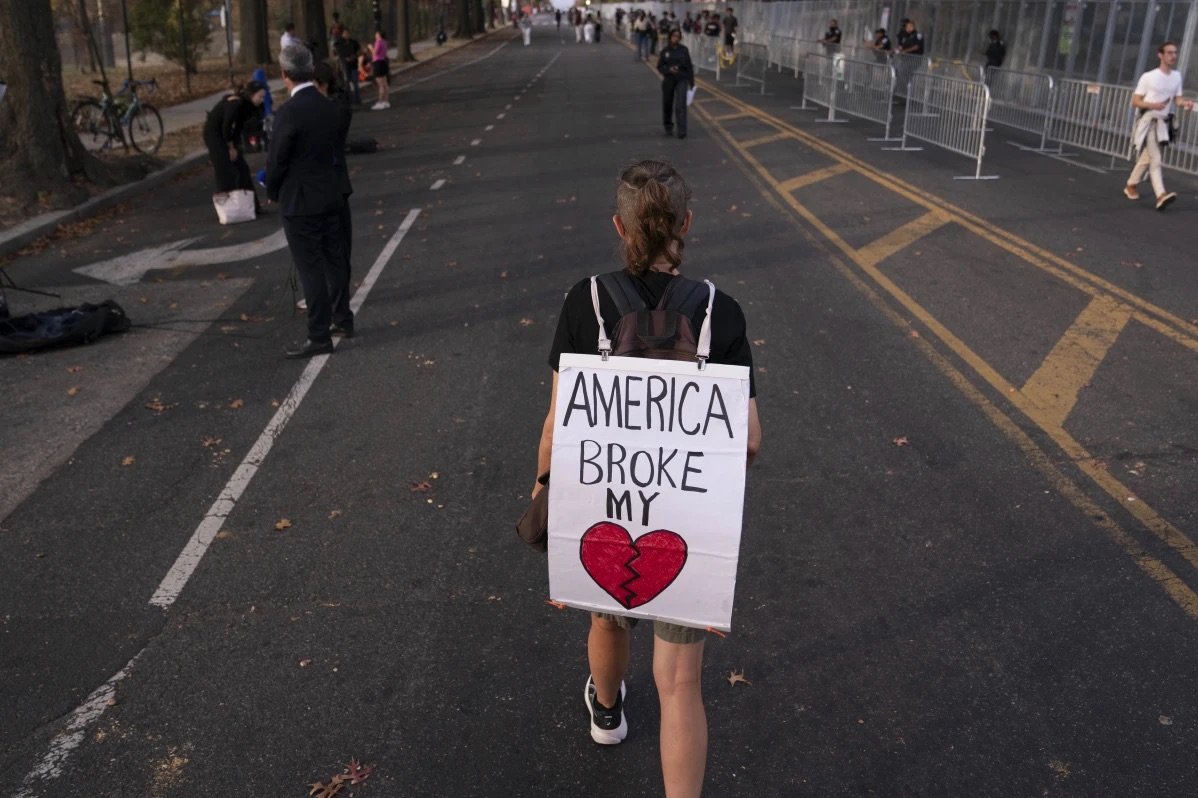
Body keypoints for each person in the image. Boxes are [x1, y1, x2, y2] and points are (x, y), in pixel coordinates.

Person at [535, 159, 761, 798]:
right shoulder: (723, 311)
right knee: (681, 684)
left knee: (607, 618)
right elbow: (748, 436)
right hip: (686, 517)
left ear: (619, 227)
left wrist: (542, 493)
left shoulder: (585, 301)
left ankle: (606, 709)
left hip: (602, 500)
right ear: (686, 224)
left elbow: (558, 421)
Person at [267, 45, 353, 358]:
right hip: (330, 193)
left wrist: (272, 188)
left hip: (299, 200)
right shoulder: (329, 107)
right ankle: (342, 318)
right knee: (334, 260)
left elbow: (278, 158)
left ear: (284, 75)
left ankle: (318, 335)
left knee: (310, 270)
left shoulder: (287, 113)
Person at [1125, 41, 1194, 210]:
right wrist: (1152, 105)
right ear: (1160, 55)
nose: (1173, 56)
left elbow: (1177, 99)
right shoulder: (1148, 77)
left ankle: (1131, 184)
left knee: (1148, 156)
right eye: (1169, 53)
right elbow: (1135, 101)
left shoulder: (1177, 76)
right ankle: (1161, 195)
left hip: (1163, 123)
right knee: (1155, 158)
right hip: (1148, 121)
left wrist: (1186, 104)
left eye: (1175, 53)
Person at [202, 81, 267, 215]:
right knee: (224, 168)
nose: (262, 100)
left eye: (263, 97)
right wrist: (230, 146)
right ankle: (227, 209)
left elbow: (238, 128)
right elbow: (226, 126)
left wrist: (236, 146)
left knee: (242, 168)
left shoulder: (247, 107)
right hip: (215, 134)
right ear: (251, 95)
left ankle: (252, 206)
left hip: (227, 136)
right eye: (259, 97)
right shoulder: (235, 104)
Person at [658, 29, 693, 139]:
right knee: (667, 103)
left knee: (680, 105)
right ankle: (668, 126)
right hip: (669, 80)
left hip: (681, 79)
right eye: (674, 36)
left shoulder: (684, 50)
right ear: (670, 37)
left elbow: (689, 66)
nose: (675, 38)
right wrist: (669, 70)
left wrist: (692, 82)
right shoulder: (665, 51)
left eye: (678, 36)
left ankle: (682, 130)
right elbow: (660, 66)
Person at [332, 27, 362, 106]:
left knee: (355, 83)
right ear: (342, 34)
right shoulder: (338, 43)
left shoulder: (354, 42)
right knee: (347, 83)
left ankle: (357, 100)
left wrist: (354, 56)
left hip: (353, 65)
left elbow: (359, 51)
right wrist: (344, 57)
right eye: (345, 33)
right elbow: (336, 52)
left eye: (348, 33)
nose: (347, 35)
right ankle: (349, 99)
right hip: (344, 65)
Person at [370, 28, 390, 110]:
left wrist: (370, 47)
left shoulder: (378, 42)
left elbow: (375, 52)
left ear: (379, 35)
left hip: (377, 63)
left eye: (376, 34)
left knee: (380, 84)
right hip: (383, 62)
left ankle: (380, 102)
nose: (375, 35)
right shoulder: (385, 42)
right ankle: (386, 101)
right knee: (385, 84)